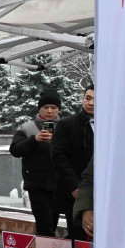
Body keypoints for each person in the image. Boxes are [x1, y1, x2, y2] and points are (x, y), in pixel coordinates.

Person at [9, 91, 66, 237]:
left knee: (53, 221)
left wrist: (56, 141)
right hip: (36, 184)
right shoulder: (26, 128)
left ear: (59, 109)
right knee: (44, 224)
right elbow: (15, 150)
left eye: (53, 107)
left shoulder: (66, 127)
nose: (49, 111)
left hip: (60, 183)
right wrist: (34, 140)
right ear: (39, 109)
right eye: (45, 107)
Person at [54, 84, 95, 240]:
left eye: (95, 99)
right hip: (76, 193)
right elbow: (58, 157)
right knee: (79, 238)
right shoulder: (67, 125)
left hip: (106, 194)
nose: (90, 103)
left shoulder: (113, 125)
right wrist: (75, 186)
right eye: (87, 98)